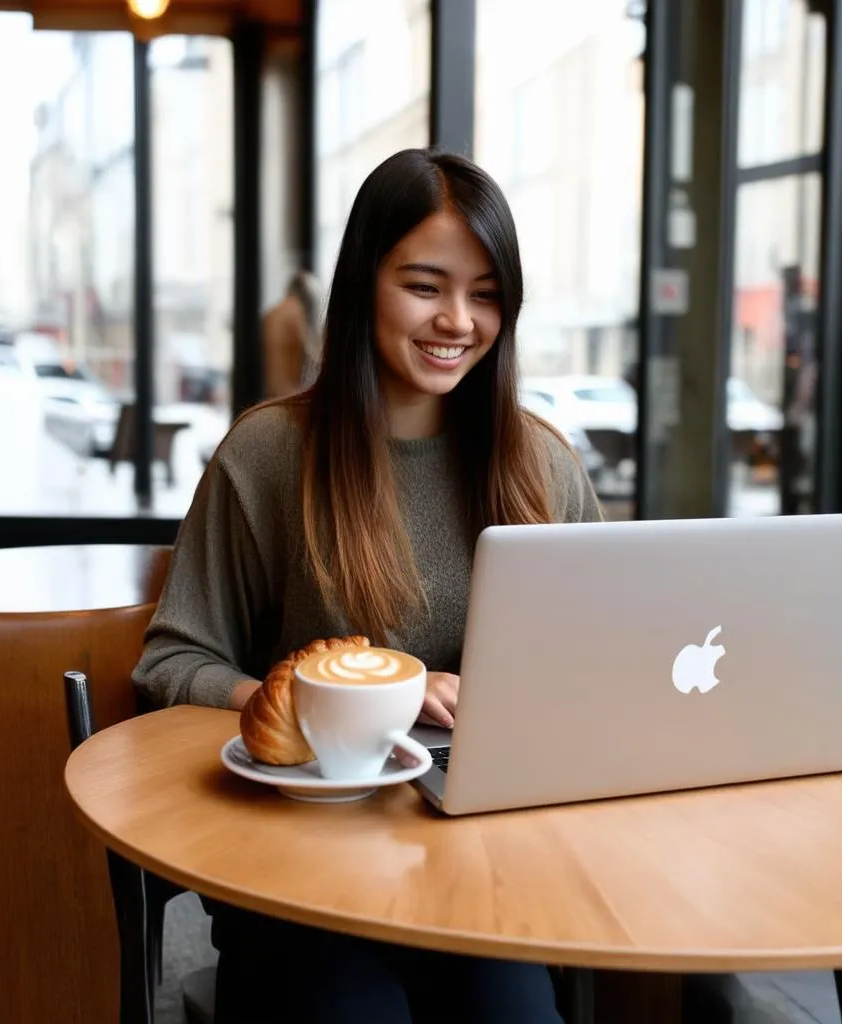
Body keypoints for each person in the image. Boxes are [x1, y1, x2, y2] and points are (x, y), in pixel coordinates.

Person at [133, 147, 603, 1023]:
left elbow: (600, 667)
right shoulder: (269, 456)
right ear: (363, 285)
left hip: (480, 863)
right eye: (425, 285)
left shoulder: (542, 465)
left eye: (487, 293)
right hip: (296, 865)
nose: (458, 320)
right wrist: (364, 703)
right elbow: (172, 664)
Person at [261, 268, 323, 397]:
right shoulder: (295, 312)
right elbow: (312, 355)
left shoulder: (271, 313)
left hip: (268, 394)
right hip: (288, 396)